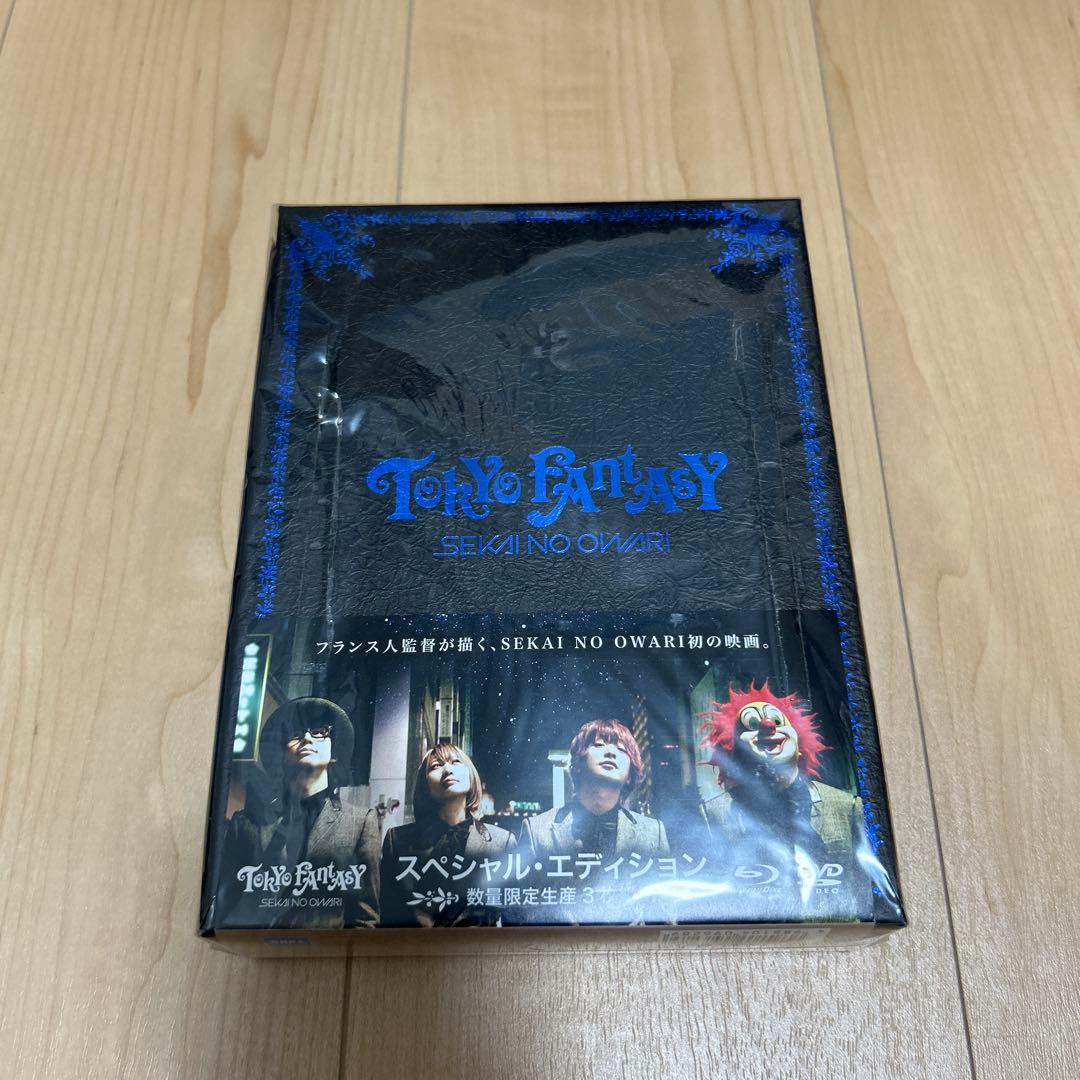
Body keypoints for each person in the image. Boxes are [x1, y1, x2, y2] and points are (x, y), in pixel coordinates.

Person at [698, 681, 873, 918]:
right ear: (734, 750)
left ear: (799, 743)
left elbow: (865, 893)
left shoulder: (846, 807)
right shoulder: (712, 814)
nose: (767, 725)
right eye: (752, 724)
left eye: (778, 721)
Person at [219, 697, 380, 928]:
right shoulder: (244, 822)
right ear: (283, 754)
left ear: (334, 753)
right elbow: (224, 907)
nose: (306, 738)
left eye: (319, 732)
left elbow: (365, 918)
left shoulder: (360, 822)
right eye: (296, 734)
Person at [380, 743, 516, 927]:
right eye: (436, 766)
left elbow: (512, 920)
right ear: (424, 785)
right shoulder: (397, 840)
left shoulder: (502, 842)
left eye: (456, 762)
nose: (448, 769)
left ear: (471, 776)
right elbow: (387, 914)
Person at [520, 719, 669, 863]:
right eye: (599, 745)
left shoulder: (653, 832)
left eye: (621, 749)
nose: (611, 753)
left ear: (630, 775)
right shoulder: (536, 830)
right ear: (577, 764)